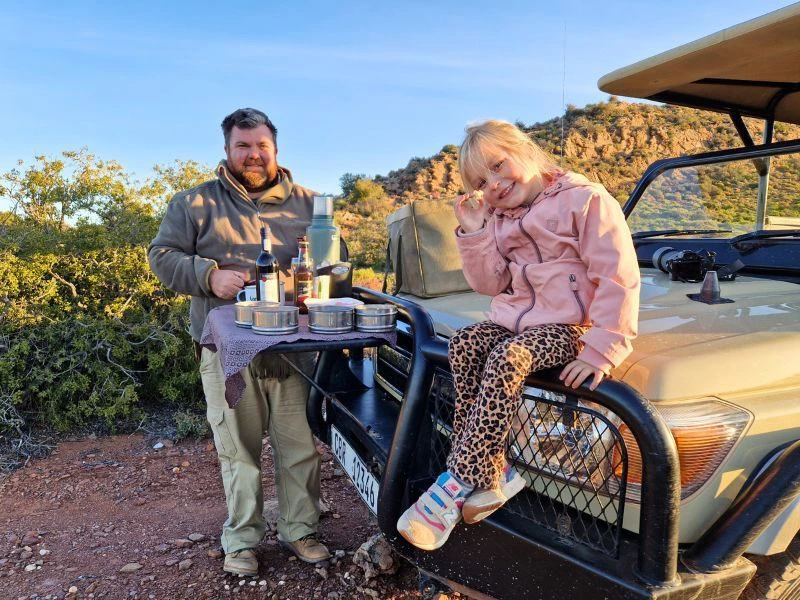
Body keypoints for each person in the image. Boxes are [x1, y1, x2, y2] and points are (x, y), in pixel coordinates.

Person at [397, 119, 640, 551]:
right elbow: (490, 284)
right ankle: (492, 470)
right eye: (480, 181)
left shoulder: (585, 201)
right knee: (466, 342)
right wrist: (474, 230)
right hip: (517, 321)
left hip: (570, 326)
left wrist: (602, 348)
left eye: (497, 165)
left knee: (510, 357)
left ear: (524, 149)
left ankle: (457, 479)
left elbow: (617, 276)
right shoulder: (499, 219)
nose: (493, 184)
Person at [148, 108, 332, 576]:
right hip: (227, 351)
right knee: (239, 450)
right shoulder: (193, 204)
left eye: (260, 146)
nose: (252, 155)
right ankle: (242, 540)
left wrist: (320, 286)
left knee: (299, 448)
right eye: (242, 147)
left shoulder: (312, 205)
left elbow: (336, 266)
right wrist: (209, 276)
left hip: (295, 350)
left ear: (276, 149)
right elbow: (162, 256)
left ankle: (301, 530)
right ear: (227, 151)